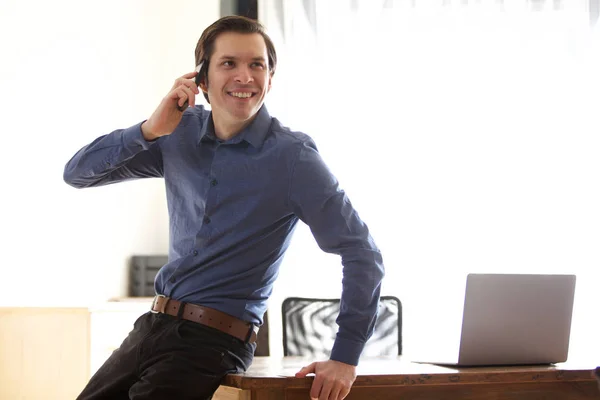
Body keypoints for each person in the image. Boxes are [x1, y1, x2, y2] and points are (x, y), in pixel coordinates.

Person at [64, 15, 384, 400]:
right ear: (201, 79)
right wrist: (149, 129)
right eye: (229, 63)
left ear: (270, 78)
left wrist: (345, 357)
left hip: (214, 339)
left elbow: (363, 253)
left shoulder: (293, 158)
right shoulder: (175, 133)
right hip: (151, 325)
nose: (245, 76)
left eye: (257, 65)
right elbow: (78, 173)